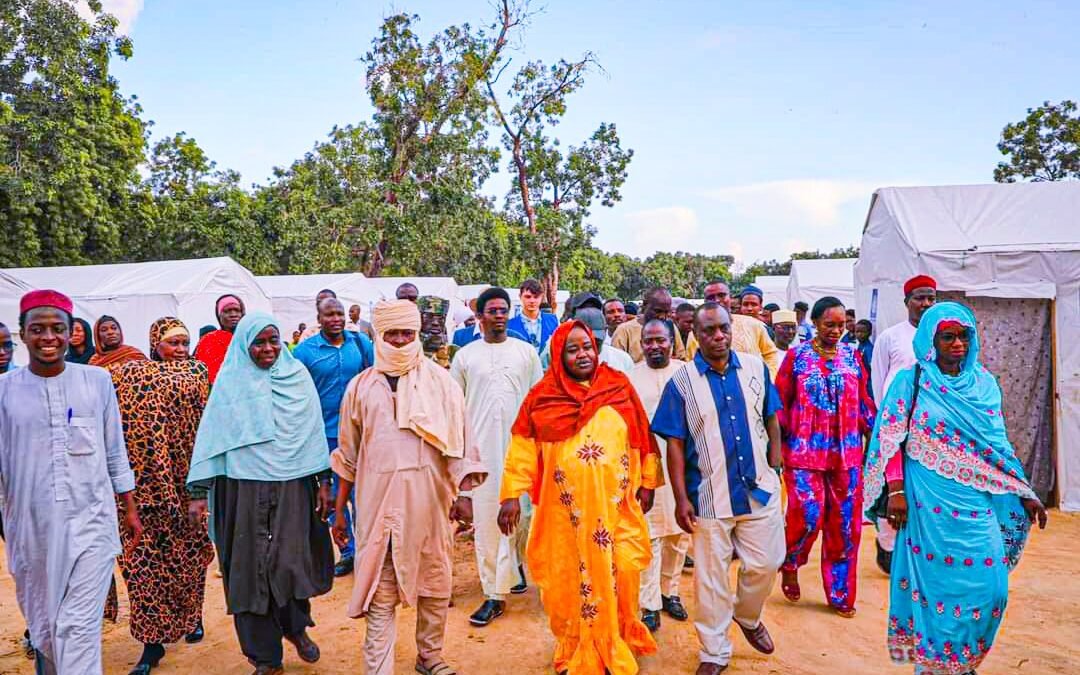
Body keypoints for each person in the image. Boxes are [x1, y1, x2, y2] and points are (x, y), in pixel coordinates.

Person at [864, 301, 1048, 675]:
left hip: (975, 501)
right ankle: (938, 664)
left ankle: (960, 657)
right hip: (925, 501)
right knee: (935, 588)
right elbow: (889, 438)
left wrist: (1022, 491)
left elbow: (998, 446)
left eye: (964, 336)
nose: (958, 344)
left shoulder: (984, 385)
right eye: (948, 337)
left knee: (992, 588)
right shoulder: (910, 381)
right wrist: (896, 490)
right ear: (931, 341)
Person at [498, 320, 662, 675]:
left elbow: (641, 437)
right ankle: (577, 647)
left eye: (586, 346)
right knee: (566, 580)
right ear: (559, 354)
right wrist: (511, 494)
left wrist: (647, 481)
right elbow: (522, 448)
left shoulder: (618, 386)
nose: (582, 354)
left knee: (623, 572)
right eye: (572, 349)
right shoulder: (542, 397)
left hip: (615, 510)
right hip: (564, 515)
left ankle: (614, 643)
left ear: (596, 346)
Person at [333, 299, 486, 675]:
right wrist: (338, 508)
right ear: (379, 335)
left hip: (431, 504)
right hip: (377, 507)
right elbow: (348, 455)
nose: (400, 341)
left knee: (434, 587)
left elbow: (460, 442)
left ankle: (429, 657)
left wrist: (464, 495)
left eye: (407, 333)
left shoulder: (442, 383)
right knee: (379, 593)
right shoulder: (360, 387)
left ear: (417, 334)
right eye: (392, 334)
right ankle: (378, 668)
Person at [0, 290, 142, 675]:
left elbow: (115, 449)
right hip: (31, 529)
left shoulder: (96, 381)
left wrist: (129, 507)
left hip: (92, 521)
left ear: (70, 332)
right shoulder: (5, 391)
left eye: (57, 329)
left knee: (77, 626)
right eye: (38, 329)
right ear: (23, 334)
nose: (49, 338)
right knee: (45, 626)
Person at [187, 312, 334, 675]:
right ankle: (265, 657)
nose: (267, 348)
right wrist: (199, 491)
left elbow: (313, 433)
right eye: (259, 342)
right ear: (244, 345)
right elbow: (213, 438)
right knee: (248, 570)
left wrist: (324, 483)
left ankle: (295, 628)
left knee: (288, 564)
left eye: (273, 340)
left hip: (292, 485)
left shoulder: (297, 377)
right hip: (242, 486)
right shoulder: (230, 382)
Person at [651, 303, 785, 675]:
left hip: (760, 487)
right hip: (709, 495)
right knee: (711, 580)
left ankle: (747, 615)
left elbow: (770, 415)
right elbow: (674, 444)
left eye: (723, 328)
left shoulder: (756, 368)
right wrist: (680, 499)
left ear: (731, 327)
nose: (718, 336)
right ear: (695, 334)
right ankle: (714, 651)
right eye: (708, 331)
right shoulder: (681, 383)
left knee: (767, 562)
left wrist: (775, 461)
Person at [111, 318, 214, 674]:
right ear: (156, 344)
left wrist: (203, 485)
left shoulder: (198, 373)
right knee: (143, 565)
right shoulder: (132, 376)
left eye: (185, 342)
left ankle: (192, 616)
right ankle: (150, 644)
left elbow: (208, 425)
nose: (181, 349)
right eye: (174, 343)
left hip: (190, 485)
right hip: (146, 489)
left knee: (188, 557)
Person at [775, 296, 875, 618]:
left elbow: (863, 401)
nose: (835, 330)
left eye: (841, 324)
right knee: (807, 515)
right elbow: (779, 405)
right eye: (829, 324)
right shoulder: (796, 357)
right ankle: (791, 562)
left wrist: (875, 436)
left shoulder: (852, 356)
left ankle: (840, 593)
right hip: (804, 454)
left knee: (845, 526)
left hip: (846, 457)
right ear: (815, 324)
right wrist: (775, 447)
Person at [449, 288, 543, 627]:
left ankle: (514, 568)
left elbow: (537, 401)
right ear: (480, 315)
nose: (499, 315)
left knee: (525, 518)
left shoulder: (526, 352)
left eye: (504, 310)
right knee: (489, 524)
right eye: (493, 310)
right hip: (481, 454)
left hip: (521, 449)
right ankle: (493, 594)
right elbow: (455, 409)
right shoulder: (465, 356)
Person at [293, 297, 375, 579]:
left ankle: (367, 551)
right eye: (329, 315)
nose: (336, 319)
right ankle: (348, 551)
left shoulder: (361, 344)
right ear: (319, 317)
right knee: (332, 495)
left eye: (339, 313)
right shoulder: (304, 352)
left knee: (362, 493)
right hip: (324, 434)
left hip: (362, 432)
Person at [869, 274, 937, 572]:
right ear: (906, 301)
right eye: (919, 298)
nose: (925, 303)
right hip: (895, 426)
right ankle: (886, 543)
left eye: (931, 298)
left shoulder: (942, 335)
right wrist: (888, 421)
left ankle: (916, 553)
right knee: (891, 487)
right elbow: (879, 381)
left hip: (931, 428)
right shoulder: (890, 337)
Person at [629, 319, 690, 634]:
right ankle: (649, 603)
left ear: (671, 341)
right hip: (646, 466)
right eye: (648, 341)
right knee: (649, 535)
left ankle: (671, 592)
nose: (654, 346)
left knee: (679, 536)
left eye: (660, 341)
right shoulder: (631, 377)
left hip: (682, 465)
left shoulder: (686, 372)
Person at [688, 280, 781, 376]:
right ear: (705, 301)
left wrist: (768, 379)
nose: (717, 300)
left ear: (730, 298)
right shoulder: (697, 334)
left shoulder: (754, 325)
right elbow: (692, 364)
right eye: (711, 298)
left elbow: (770, 354)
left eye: (721, 295)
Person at [612, 287, 687, 362]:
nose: (662, 316)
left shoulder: (670, 327)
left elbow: (681, 359)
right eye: (658, 311)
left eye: (666, 312)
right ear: (645, 305)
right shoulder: (624, 331)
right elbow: (617, 364)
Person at [194, 294, 246, 384]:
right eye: (227, 311)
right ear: (219, 315)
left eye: (237, 310)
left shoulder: (250, 339)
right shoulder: (209, 340)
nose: (233, 315)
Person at [507, 279, 559, 354]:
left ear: (541, 297)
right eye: (528, 297)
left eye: (536, 297)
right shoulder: (510, 325)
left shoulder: (552, 320)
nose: (532, 301)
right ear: (520, 296)